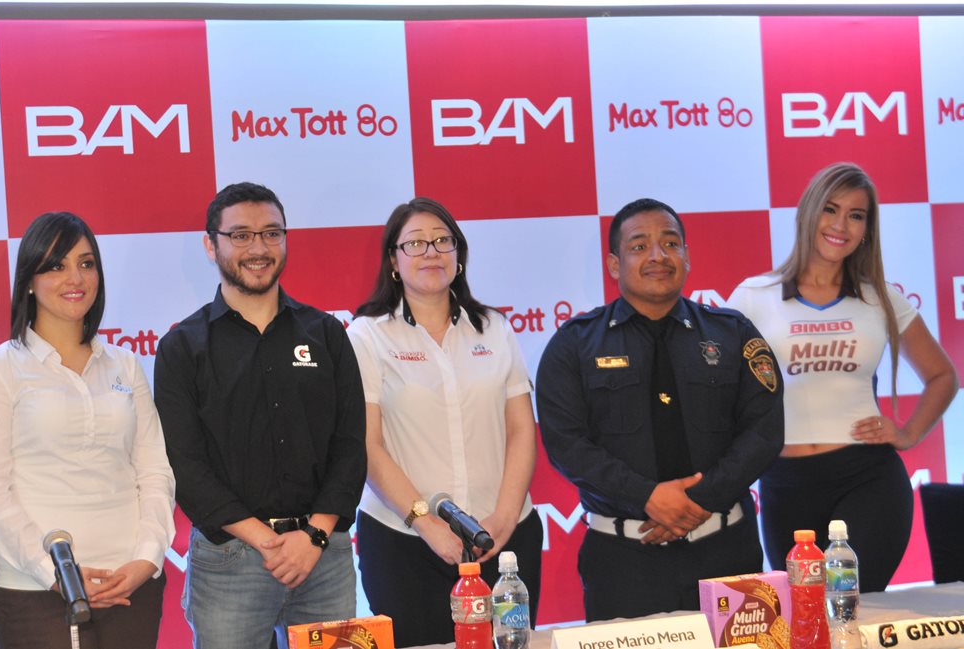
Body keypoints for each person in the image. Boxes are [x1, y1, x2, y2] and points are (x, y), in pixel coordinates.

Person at [536, 198, 784, 622]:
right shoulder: (574, 344)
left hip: (727, 557)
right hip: (623, 563)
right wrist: (648, 497)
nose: (658, 255)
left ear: (686, 257)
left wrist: (697, 503)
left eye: (670, 243)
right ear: (615, 265)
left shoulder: (733, 333)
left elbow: (763, 433)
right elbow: (566, 445)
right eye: (639, 246)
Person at [154, 182, 366, 649]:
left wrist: (313, 535)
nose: (259, 248)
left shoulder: (327, 333)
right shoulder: (183, 347)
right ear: (211, 245)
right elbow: (184, 465)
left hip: (323, 556)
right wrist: (267, 541)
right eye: (242, 235)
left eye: (272, 233)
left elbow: (350, 446)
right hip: (230, 559)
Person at [727, 162, 956, 591]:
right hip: (784, 483)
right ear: (808, 214)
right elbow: (719, 391)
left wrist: (907, 434)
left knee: (855, 608)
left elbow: (943, 376)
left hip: (867, 479)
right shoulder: (753, 296)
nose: (840, 225)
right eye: (830, 209)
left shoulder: (879, 297)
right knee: (808, 617)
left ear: (867, 229)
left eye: (856, 215)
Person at [0, 212, 176, 649]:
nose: (74, 277)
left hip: (130, 587)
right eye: (56, 265)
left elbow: (155, 473)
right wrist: (53, 573)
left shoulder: (125, 364)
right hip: (37, 592)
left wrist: (147, 560)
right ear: (28, 279)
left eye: (86, 263)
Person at [347, 197, 541, 647]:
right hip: (404, 542)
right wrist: (426, 523)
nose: (431, 252)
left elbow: (521, 429)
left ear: (459, 254)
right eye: (414, 243)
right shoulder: (368, 335)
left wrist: (504, 517)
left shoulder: (494, 328)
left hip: (504, 541)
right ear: (393, 261)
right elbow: (367, 444)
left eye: (442, 240)